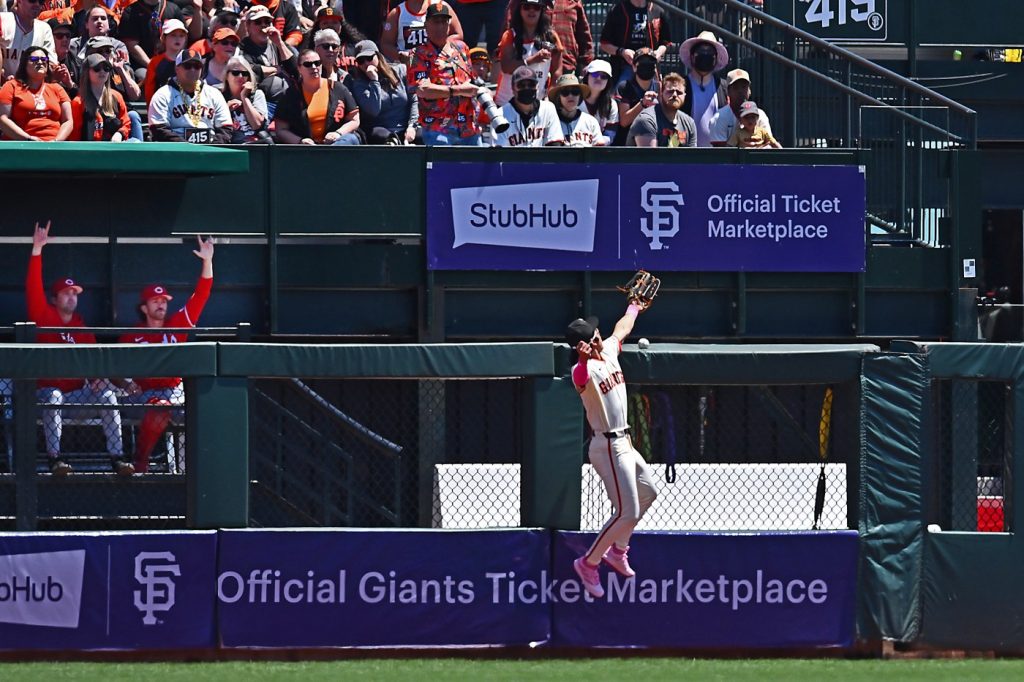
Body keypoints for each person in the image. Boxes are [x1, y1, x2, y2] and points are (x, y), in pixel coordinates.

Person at [565, 306, 658, 599]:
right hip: (607, 446)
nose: (599, 337)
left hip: (625, 442)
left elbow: (623, 329)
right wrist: (581, 357)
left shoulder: (608, 351)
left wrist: (634, 307)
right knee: (626, 511)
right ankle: (588, 562)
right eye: (594, 335)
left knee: (649, 493)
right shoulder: (584, 369)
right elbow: (579, 377)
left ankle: (618, 551)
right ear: (585, 343)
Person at [26, 221, 130, 477]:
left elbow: (95, 363)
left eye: (75, 293)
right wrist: (37, 250)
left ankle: (117, 458)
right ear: (55, 298)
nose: (72, 297)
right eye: (66, 293)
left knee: (107, 396)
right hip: (44, 395)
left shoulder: (82, 327)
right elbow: (33, 289)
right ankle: (55, 460)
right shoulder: (44, 315)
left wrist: (97, 381)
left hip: (76, 397)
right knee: (54, 397)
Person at [119, 236, 214, 474]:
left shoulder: (177, 324)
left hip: (174, 393)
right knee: (159, 407)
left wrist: (207, 262)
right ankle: (141, 460)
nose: (161, 304)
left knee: (206, 408)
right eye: (155, 300)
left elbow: (200, 296)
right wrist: (126, 383)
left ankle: (205, 469)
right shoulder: (132, 335)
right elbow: (112, 367)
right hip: (141, 397)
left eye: (164, 300)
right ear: (144, 307)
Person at [408, 2, 480, 146]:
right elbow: (422, 90)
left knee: (476, 168)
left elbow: (473, 80)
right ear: (426, 25)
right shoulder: (418, 53)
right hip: (439, 128)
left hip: (469, 127)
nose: (440, 27)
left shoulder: (461, 48)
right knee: (442, 168)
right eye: (436, 22)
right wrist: (457, 91)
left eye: (444, 22)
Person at [274, 47, 361, 144]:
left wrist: (338, 133)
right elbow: (281, 130)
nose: (314, 67)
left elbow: (354, 119)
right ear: (299, 69)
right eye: (308, 64)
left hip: (336, 144)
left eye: (317, 63)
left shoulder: (338, 88)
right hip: (306, 150)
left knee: (350, 138)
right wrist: (300, 142)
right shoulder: (290, 95)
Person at [148, 48, 232, 143]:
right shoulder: (163, 95)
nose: (192, 70)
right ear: (177, 68)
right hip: (176, 151)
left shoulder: (214, 94)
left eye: (197, 66)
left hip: (210, 150)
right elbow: (159, 129)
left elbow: (226, 129)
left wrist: (211, 150)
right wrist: (187, 148)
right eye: (187, 66)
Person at [349, 39, 419, 145]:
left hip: (406, 127)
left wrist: (412, 126)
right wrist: (374, 81)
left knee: (423, 135)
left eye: (369, 58)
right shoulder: (359, 84)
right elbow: (373, 110)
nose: (366, 63)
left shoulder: (401, 70)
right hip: (380, 130)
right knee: (383, 137)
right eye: (361, 61)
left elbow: (414, 100)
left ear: (378, 55)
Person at [495, 0, 561, 106]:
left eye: (536, 7)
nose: (531, 11)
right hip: (506, 103)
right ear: (520, 10)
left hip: (537, 103)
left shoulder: (551, 37)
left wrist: (551, 95)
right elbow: (506, 67)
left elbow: (557, 71)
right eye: (526, 7)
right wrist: (533, 59)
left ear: (542, 10)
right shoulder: (509, 35)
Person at [0, 46, 72, 141]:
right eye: (34, 59)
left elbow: (68, 120)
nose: (40, 62)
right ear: (24, 64)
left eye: (44, 59)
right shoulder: (11, 86)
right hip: (21, 145)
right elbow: (2, 118)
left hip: (53, 146)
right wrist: (28, 138)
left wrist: (56, 141)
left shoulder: (57, 89)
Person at [506, 0, 593, 76]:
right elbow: (507, 31)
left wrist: (585, 66)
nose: (531, 9)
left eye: (536, 8)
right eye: (527, 7)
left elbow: (584, 37)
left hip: (566, 69)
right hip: (528, 71)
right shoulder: (519, 1)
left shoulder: (574, 1)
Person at [598, 0, 670, 86]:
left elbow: (666, 42)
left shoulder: (658, 11)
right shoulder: (617, 10)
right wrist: (622, 52)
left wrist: (658, 53)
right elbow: (604, 43)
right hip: (624, 66)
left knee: (654, 97)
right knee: (621, 96)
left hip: (650, 67)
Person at [119, 0, 198, 74]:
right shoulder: (131, 12)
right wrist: (152, 65)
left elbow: (184, 37)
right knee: (143, 75)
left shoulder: (173, 9)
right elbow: (132, 45)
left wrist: (174, 62)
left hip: (172, 62)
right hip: (143, 65)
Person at [240, 4, 298, 106]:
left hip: (288, 100)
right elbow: (250, 70)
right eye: (258, 22)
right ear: (248, 26)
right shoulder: (243, 46)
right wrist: (277, 69)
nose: (263, 25)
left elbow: (296, 69)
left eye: (267, 22)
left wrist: (279, 43)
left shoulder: (277, 42)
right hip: (261, 102)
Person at [679, 30, 728, 148]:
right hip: (687, 155)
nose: (705, 55)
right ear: (692, 56)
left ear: (716, 58)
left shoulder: (724, 87)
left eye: (709, 52)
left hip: (718, 157)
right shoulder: (680, 87)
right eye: (701, 52)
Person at [491, 65, 561, 147]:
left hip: (541, 159)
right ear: (513, 88)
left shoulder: (548, 109)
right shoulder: (500, 116)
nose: (526, 88)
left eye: (531, 84)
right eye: (521, 85)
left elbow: (555, 146)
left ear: (537, 86)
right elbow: (498, 154)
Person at [70, 51, 132, 140]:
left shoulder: (116, 96)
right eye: (97, 68)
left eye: (106, 68)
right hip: (88, 151)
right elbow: (74, 136)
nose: (102, 71)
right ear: (87, 72)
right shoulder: (78, 102)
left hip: (114, 150)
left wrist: (120, 133)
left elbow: (126, 123)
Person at [381, 0, 461, 65]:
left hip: (439, 64)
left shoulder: (441, 6)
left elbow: (458, 35)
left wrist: (440, 49)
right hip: (409, 68)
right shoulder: (396, 13)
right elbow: (386, 44)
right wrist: (400, 56)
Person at [627, 72, 695, 147]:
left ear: (685, 96)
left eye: (679, 93)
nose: (675, 95)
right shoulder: (646, 120)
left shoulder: (689, 123)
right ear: (661, 93)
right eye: (670, 91)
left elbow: (692, 157)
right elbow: (649, 157)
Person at [709, 68, 773, 147]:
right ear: (728, 91)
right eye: (736, 88)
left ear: (749, 90)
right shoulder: (719, 118)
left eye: (744, 87)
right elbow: (720, 155)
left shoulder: (761, 115)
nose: (740, 91)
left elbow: (769, 146)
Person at [612, 45, 657, 146]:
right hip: (627, 144)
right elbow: (624, 121)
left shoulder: (659, 86)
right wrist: (643, 104)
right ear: (634, 66)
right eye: (642, 63)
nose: (647, 66)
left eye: (650, 64)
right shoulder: (625, 87)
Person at [0, 0, 56, 80]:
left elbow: (51, 63)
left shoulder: (44, 29)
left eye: (41, 1)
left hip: (29, 88)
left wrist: (54, 71)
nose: (37, 4)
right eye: (32, 0)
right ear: (19, 1)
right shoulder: (3, 20)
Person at [221, 55, 270, 143]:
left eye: (245, 73)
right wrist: (225, 109)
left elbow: (257, 124)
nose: (240, 76)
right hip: (231, 145)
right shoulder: (219, 96)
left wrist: (245, 97)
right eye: (235, 73)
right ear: (226, 76)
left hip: (255, 145)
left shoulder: (257, 95)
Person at [142, 18, 189, 103]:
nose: (178, 39)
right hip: (162, 106)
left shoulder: (189, 60)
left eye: (181, 36)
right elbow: (149, 91)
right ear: (163, 38)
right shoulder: (155, 62)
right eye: (173, 35)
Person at [549, 72, 601, 146]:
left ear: (580, 96)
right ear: (558, 97)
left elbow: (599, 152)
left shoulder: (591, 122)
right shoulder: (550, 122)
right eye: (565, 92)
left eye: (575, 92)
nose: (570, 96)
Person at [580, 58, 616, 145]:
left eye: (604, 76)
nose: (599, 78)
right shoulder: (576, 99)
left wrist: (596, 143)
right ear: (587, 76)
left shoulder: (611, 104)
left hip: (599, 150)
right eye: (595, 74)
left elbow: (610, 134)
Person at [48, 18, 77, 96]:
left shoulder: (76, 61)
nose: (65, 39)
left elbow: (83, 96)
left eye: (68, 36)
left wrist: (70, 84)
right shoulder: (41, 60)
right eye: (59, 36)